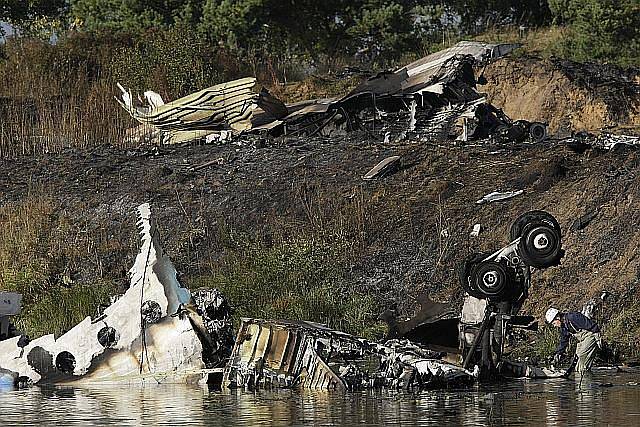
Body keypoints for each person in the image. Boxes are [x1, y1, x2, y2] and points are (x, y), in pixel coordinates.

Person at [545, 307, 602, 374]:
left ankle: (585, 380)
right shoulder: (564, 327)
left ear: (557, 317)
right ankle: (583, 379)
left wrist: (597, 336)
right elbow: (564, 341)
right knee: (576, 366)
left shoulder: (573, 317)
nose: (554, 326)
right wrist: (558, 353)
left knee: (581, 358)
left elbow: (591, 325)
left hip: (591, 336)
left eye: (554, 323)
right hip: (582, 340)